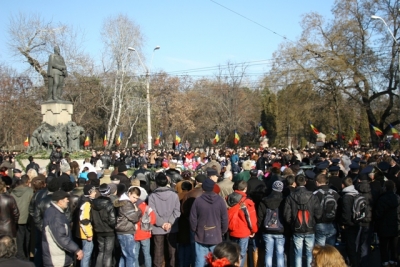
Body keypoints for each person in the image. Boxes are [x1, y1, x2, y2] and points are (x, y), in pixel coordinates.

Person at [283, 174, 322, 267]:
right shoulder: (312, 196)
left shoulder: (290, 197)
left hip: (297, 228)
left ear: (295, 183)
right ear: (305, 182)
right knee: (309, 253)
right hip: (309, 227)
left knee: (298, 253)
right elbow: (318, 213)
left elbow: (286, 215)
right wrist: (313, 222)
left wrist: (293, 223)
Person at [190, 178, 228, 267]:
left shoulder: (198, 201)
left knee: (200, 261)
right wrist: (222, 231)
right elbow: (225, 219)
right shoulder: (220, 200)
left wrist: (195, 230)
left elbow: (193, 219)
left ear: (203, 188)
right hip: (216, 236)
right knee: (216, 262)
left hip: (201, 236)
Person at [42, 190, 83, 267]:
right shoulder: (56, 216)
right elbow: (61, 237)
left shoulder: (53, 211)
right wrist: (76, 249)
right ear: (60, 201)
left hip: (57, 257)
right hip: (58, 260)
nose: (68, 201)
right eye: (66, 199)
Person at [148, 172, 181, 267]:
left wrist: (162, 223)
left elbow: (152, 213)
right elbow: (177, 211)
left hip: (157, 227)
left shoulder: (152, 196)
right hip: (172, 226)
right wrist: (170, 223)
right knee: (172, 251)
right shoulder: (174, 195)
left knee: (158, 251)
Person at [226, 181, 258, 267]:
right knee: (242, 254)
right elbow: (251, 219)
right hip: (244, 231)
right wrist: (253, 230)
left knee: (233, 253)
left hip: (231, 229)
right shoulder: (247, 202)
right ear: (245, 189)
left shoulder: (228, 198)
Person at [257, 180, 285, 267]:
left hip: (267, 230)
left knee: (268, 253)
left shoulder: (264, 201)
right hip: (280, 230)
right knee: (280, 254)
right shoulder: (284, 201)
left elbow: (260, 216)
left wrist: (260, 228)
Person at [114, 186, 142, 267]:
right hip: (126, 231)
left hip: (122, 231)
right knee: (130, 256)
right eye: (134, 197)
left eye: (137, 198)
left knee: (124, 256)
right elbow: (135, 218)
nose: (135, 200)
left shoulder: (122, 201)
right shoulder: (127, 203)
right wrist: (138, 211)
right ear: (129, 193)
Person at [375, 180, 400, 267]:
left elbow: (379, 213)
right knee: (394, 246)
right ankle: (394, 260)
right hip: (395, 225)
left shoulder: (382, 198)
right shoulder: (397, 198)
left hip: (384, 225)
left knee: (384, 246)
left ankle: (385, 261)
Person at [92, 184, 116, 267]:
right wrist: (113, 226)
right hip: (109, 231)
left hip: (98, 230)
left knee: (101, 251)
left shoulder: (93, 203)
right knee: (108, 254)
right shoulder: (109, 204)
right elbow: (112, 220)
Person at [338, 177, 360, 267]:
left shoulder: (346, 197)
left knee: (350, 246)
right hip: (357, 221)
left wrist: (344, 223)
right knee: (355, 244)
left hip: (349, 224)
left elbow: (346, 212)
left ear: (343, 185)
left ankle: (353, 263)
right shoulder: (356, 194)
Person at [10, 175, 34, 260]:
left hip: (17, 218)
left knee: (19, 238)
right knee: (28, 238)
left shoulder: (13, 192)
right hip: (27, 218)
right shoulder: (30, 191)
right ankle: (27, 255)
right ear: (27, 181)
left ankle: (20, 255)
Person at [313, 174, 339, 246]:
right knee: (330, 249)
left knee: (320, 250)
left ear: (317, 182)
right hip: (332, 223)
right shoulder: (335, 193)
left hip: (320, 223)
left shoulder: (316, 194)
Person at [76, 185, 97, 267]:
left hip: (81, 232)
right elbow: (84, 220)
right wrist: (89, 234)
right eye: (93, 191)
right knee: (86, 255)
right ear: (89, 193)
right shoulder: (87, 203)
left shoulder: (81, 200)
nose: (95, 193)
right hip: (86, 234)